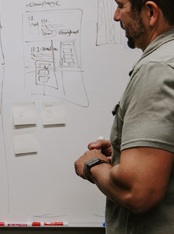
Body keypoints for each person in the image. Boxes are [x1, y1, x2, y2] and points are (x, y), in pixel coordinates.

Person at [74, 0, 174, 233]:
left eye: (122, 5)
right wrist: (124, 147)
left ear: (151, 12)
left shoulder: (157, 68)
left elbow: (138, 192)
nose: (116, 17)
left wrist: (92, 164)